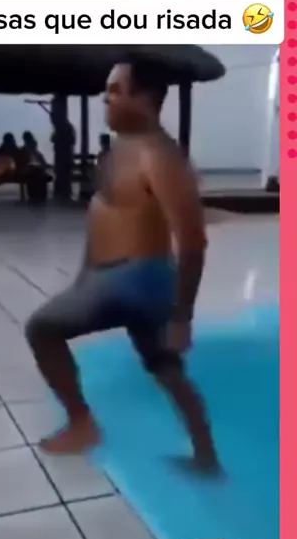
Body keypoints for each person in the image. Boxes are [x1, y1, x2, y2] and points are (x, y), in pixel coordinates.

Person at [24, 57, 219, 472]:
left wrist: (183, 316)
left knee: (41, 328)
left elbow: (192, 240)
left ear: (145, 98)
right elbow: (102, 216)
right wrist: (85, 275)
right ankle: (206, 456)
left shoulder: (160, 156)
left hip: (137, 278)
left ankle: (82, 424)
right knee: (165, 366)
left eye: (115, 90)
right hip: (119, 276)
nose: (106, 98)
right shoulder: (121, 150)